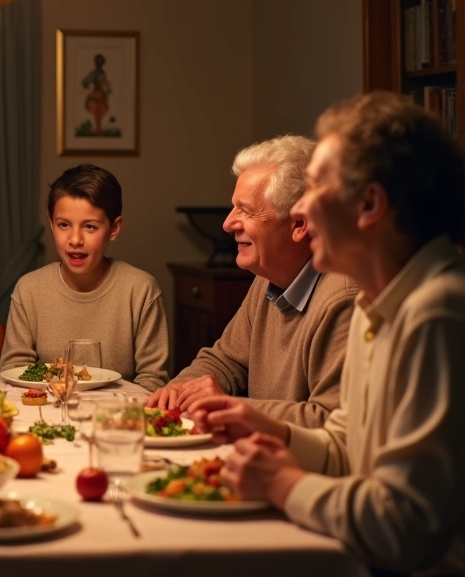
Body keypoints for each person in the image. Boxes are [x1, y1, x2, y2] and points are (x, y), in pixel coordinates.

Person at [191, 92, 465, 577]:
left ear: (370, 204)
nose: (302, 210)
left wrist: (285, 484)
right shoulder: (377, 304)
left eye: (315, 187)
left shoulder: (440, 316)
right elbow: (344, 447)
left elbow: (406, 527)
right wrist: (272, 432)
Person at [148, 135, 357, 427]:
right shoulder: (267, 276)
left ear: (299, 224)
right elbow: (224, 361)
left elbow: (329, 422)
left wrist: (231, 406)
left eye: (246, 210)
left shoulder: (343, 299)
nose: (228, 223)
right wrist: (180, 389)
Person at [0, 164, 169, 391]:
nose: (75, 239)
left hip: (114, 417)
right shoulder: (29, 289)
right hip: (50, 413)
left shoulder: (140, 290)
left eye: (90, 226)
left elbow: (152, 380)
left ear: (114, 228)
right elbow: (16, 371)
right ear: (51, 223)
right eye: (64, 225)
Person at [81, 54, 111, 135]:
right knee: (97, 112)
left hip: (101, 94)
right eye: (98, 61)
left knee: (99, 113)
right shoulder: (95, 73)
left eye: (100, 61)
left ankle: (99, 130)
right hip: (97, 94)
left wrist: (108, 88)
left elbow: (106, 83)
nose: (99, 63)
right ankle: (98, 130)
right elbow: (85, 82)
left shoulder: (102, 72)